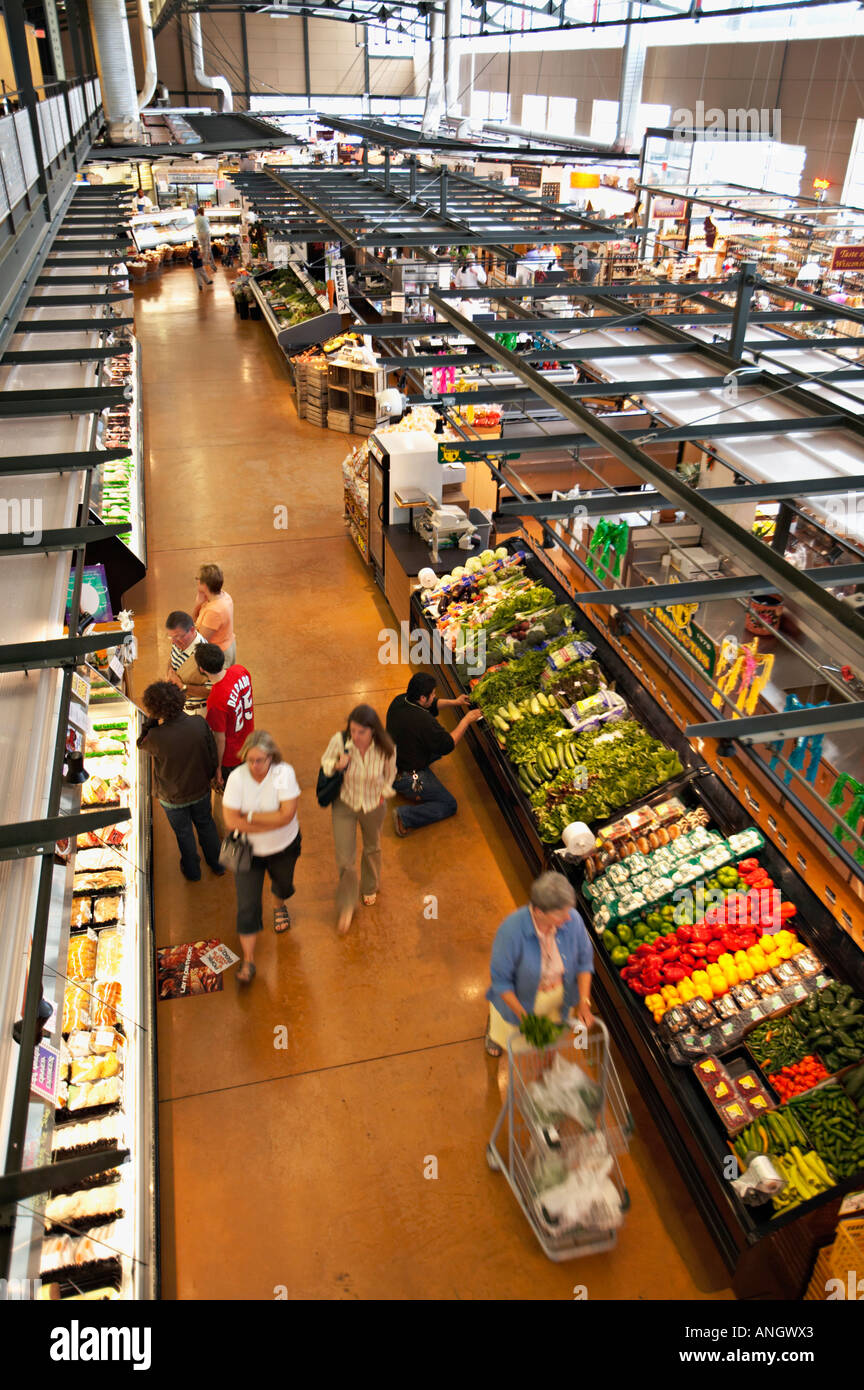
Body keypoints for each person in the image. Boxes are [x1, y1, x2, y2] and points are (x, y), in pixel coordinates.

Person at [484, 872, 595, 1057]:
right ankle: (493, 1034)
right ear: (539, 912)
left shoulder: (573, 920)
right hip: (519, 1000)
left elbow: (584, 962)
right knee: (507, 1033)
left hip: (558, 997)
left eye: (568, 910)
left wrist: (584, 1001)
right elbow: (501, 982)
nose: (568, 918)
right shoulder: (510, 931)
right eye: (560, 914)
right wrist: (524, 1018)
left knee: (548, 1043)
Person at [222, 732, 302, 982]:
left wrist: (250, 817)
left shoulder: (284, 773)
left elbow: (287, 815)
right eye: (250, 760)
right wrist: (272, 820)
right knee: (247, 906)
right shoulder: (237, 778)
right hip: (249, 853)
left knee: (283, 884)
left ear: (271, 758)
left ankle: (279, 906)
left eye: (260, 760)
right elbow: (230, 820)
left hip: (284, 847)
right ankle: (248, 961)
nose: (255, 766)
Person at [320, 705, 397, 936]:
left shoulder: (386, 747)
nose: (355, 736)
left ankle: (370, 886)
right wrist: (337, 765)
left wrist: (383, 792)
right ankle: (347, 904)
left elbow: (390, 774)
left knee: (372, 847)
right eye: (352, 730)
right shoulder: (340, 741)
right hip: (345, 803)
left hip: (373, 805)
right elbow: (325, 763)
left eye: (361, 732)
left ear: (373, 730)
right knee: (345, 858)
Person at [137, 681, 224, 882]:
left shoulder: (155, 737)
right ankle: (218, 864)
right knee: (206, 823)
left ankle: (193, 871)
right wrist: (212, 775)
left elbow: (140, 743)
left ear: (154, 709)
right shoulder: (198, 723)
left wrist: (150, 722)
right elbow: (212, 752)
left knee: (184, 833)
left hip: (172, 797)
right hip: (200, 789)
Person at [386, 673, 482, 836]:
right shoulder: (424, 721)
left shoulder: (401, 700)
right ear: (423, 698)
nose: (435, 696)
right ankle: (405, 817)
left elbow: (433, 704)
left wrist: (456, 702)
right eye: (433, 694)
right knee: (449, 804)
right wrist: (466, 720)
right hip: (406, 775)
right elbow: (447, 744)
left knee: (433, 746)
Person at [194, 643, 254, 789]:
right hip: (248, 740)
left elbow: (220, 739)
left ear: (201, 669)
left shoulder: (215, 700)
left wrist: (218, 767)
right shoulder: (240, 670)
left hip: (232, 756)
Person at [193, 563, 236, 666]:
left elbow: (200, 641)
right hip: (228, 646)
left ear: (204, 585)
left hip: (219, 656)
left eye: (198, 579)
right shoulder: (224, 596)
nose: (196, 581)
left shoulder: (214, 611)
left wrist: (196, 606)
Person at [164, 610, 209, 709]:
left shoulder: (205, 655)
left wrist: (182, 686)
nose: (173, 642)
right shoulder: (179, 642)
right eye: (170, 637)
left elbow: (211, 691)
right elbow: (172, 659)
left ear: (192, 630)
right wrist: (169, 672)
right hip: (179, 705)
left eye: (178, 636)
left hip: (196, 710)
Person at [194, 205, 215, 271]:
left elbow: (195, 223)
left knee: (202, 247)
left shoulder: (196, 218)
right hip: (206, 233)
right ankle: (206, 260)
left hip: (199, 233)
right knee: (207, 247)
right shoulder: (205, 217)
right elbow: (208, 223)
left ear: (198, 212)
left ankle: (203, 260)